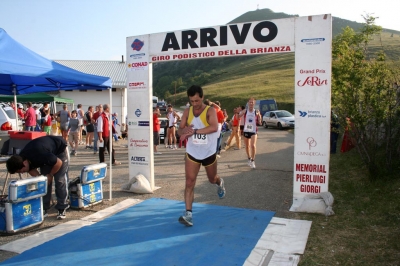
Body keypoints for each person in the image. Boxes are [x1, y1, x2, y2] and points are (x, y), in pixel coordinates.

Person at [177, 85, 225, 227]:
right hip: (193, 152)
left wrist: (195, 131)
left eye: (197, 101)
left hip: (208, 152)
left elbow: (214, 127)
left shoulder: (210, 110)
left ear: (202, 98)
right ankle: (188, 214)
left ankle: (219, 182)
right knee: (189, 182)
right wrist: (184, 131)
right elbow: (180, 131)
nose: (195, 104)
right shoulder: (187, 112)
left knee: (212, 179)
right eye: (192, 101)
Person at [6, 135, 70, 220]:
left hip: (60, 150)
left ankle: (62, 206)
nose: (22, 172)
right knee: (44, 182)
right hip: (47, 154)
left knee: (59, 180)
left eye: (21, 170)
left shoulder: (40, 153)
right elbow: (31, 171)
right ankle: (44, 207)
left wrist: (50, 175)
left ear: (24, 163)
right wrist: (42, 179)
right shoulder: (22, 157)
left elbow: (58, 163)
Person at [239, 97, 262, 169]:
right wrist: (239, 113)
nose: (251, 103)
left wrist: (259, 117)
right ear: (248, 103)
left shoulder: (256, 111)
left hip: (253, 131)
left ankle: (253, 160)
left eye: (252, 102)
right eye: (250, 102)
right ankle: (249, 158)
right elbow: (238, 117)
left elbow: (260, 121)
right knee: (247, 146)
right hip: (246, 130)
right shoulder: (245, 111)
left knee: (253, 146)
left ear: (254, 103)